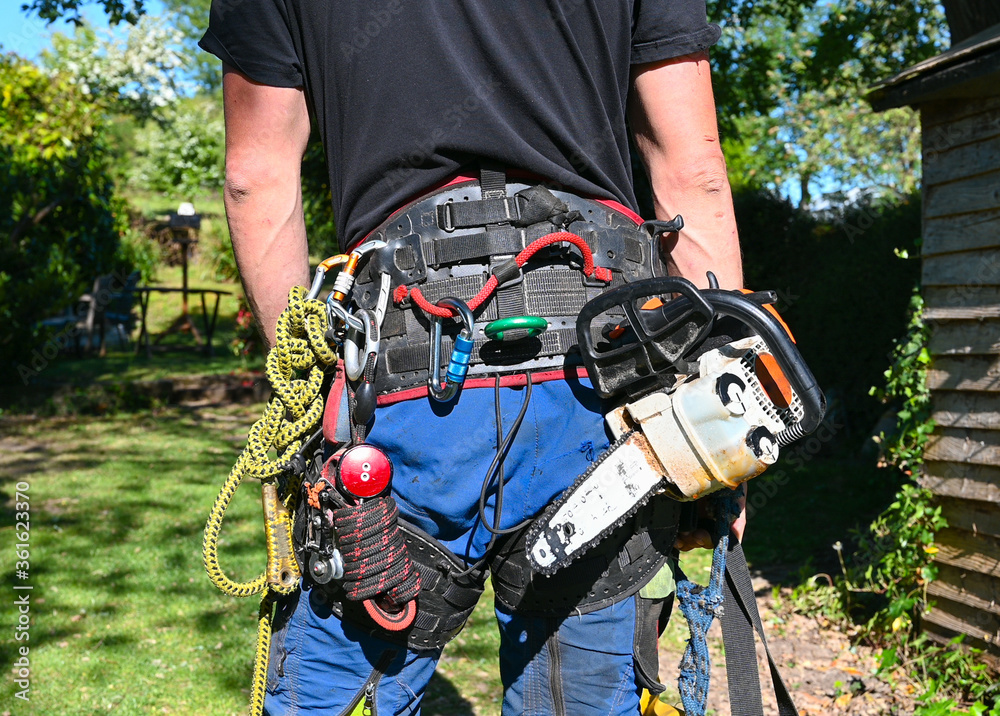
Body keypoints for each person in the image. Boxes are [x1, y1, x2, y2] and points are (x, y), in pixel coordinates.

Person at [200, 1, 745, 713]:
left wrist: (309, 389)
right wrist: (725, 420)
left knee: (339, 683)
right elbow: (692, 168)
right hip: (596, 386)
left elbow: (255, 174)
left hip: (402, 384)